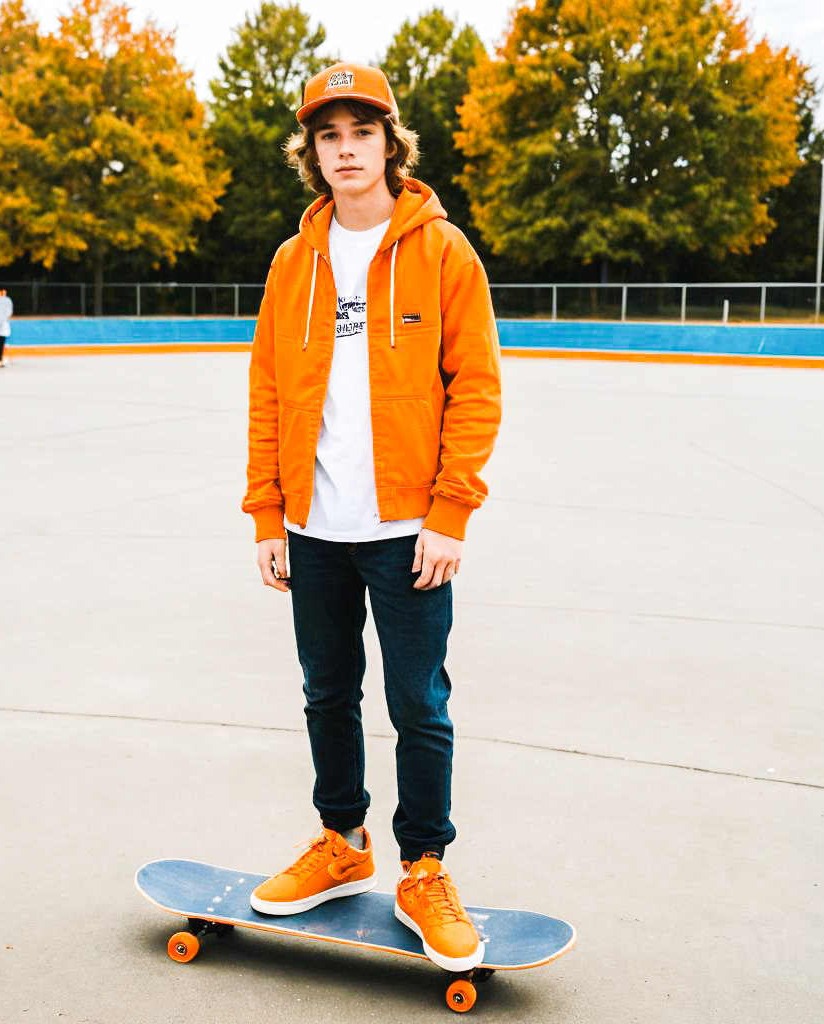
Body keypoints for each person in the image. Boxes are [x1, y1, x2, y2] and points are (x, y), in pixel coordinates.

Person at [241, 63, 502, 973]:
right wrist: (268, 514)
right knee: (326, 693)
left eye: (362, 132)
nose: (345, 149)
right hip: (314, 528)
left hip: (409, 533)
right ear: (311, 153)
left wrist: (450, 513)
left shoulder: (442, 250)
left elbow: (476, 390)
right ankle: (341, 839)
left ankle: (424, 868)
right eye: (328, 135)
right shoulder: (293, 260)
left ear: (392, 144)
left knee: (417, 704)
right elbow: (268, 392)